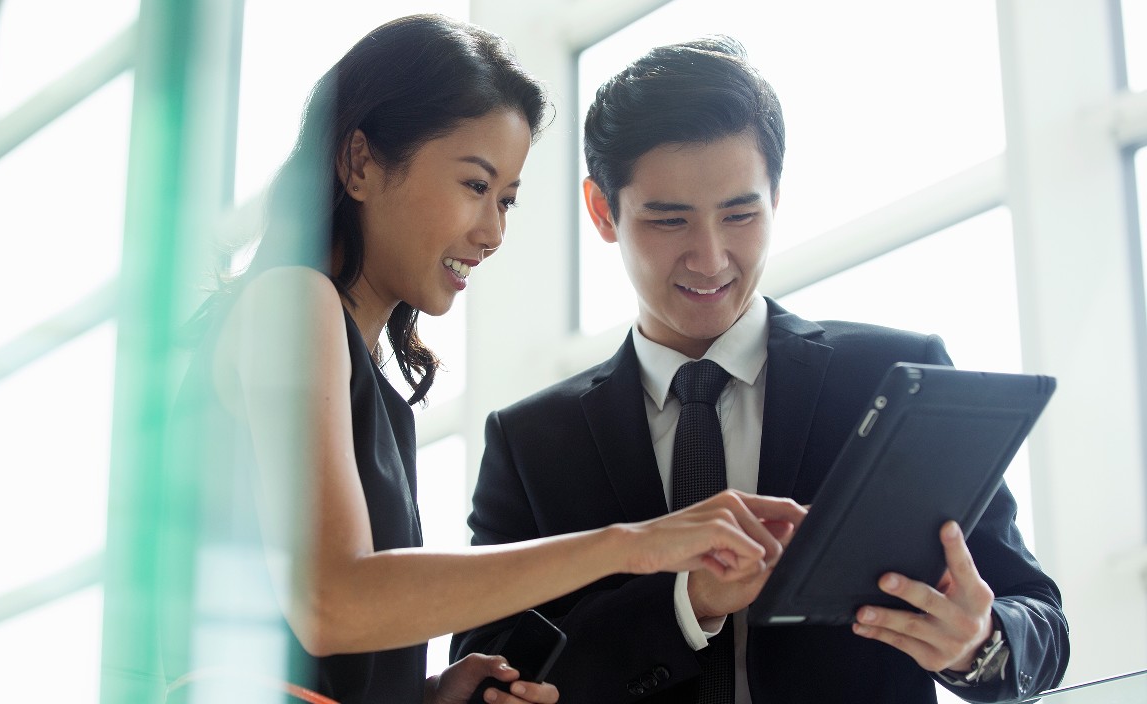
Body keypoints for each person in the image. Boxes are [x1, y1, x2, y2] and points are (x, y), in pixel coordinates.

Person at [168, 16, 808, 704]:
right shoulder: (293, 303)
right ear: (358, 163)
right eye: (475, 187)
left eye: (506, 199)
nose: (493, 231)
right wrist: (635, 545)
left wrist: (431, 693)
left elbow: (314, 641)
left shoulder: (362, 371)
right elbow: (330, 603)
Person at [453, 36, 1070, 704]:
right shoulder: (533, 446)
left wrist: (975, 645)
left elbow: (1040, 623)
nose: (711, 258)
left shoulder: (892, 375)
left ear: (777, 194)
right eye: (669, 220)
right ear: (604, 211)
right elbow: (492, 676)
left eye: (741, 213)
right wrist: (684, 603)